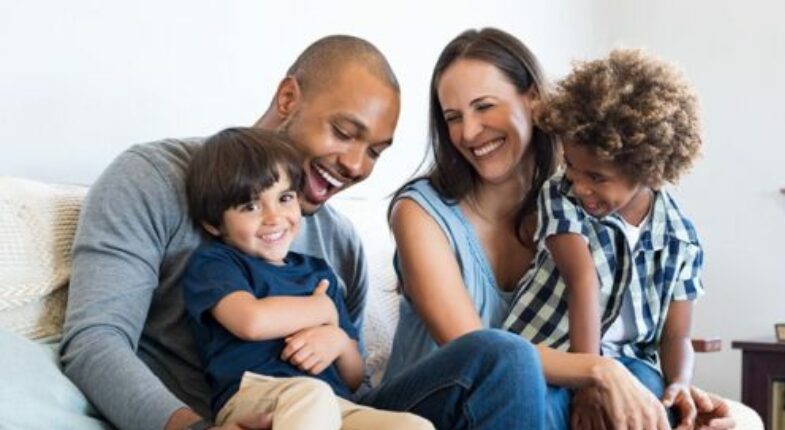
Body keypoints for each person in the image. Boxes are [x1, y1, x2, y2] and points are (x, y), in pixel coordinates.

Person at [61, 34, 544, 430]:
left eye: (375, 151)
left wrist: (340, 347)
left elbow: (351, 382)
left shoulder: (341, 244)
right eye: (344, 132)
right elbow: (95, 341)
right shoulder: (153, 178)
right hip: (218, 411)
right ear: (289, 98)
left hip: (330, 412)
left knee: (503, 356)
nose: (356, 165)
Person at [385, 27, 736, 430]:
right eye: (453, 118)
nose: (468, 132)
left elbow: (655, 330)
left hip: (521, 401)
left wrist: (670, 391)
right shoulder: (420, 213)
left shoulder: (586, 200)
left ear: (534, 99)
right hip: (433, 404)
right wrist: (599, 370)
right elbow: (479, 353)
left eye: (484, 106)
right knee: (509, 357)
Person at [502, 48, 705, 426]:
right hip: (554, 351)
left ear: (647, 170)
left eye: (596, 177)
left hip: (630, 361)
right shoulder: (560, 195)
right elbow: (583, 281)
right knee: (543, 407)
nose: (580, 186)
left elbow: (677, 337)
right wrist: (590, 382)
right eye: (571, 166)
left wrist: (680, 382)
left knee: (651, 405)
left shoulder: (681, 239)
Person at [181, 127, 431, 430]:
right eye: (251, 206)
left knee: (413, 426)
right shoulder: (217, 263)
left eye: (285, 198)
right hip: (258, 395)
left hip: (334, 404)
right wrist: (322, 310)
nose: (274, 217)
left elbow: (353, 378)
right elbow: (251, 321)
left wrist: (338, 342)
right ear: (213, 223)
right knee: (312, 396)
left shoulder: (319, 273)